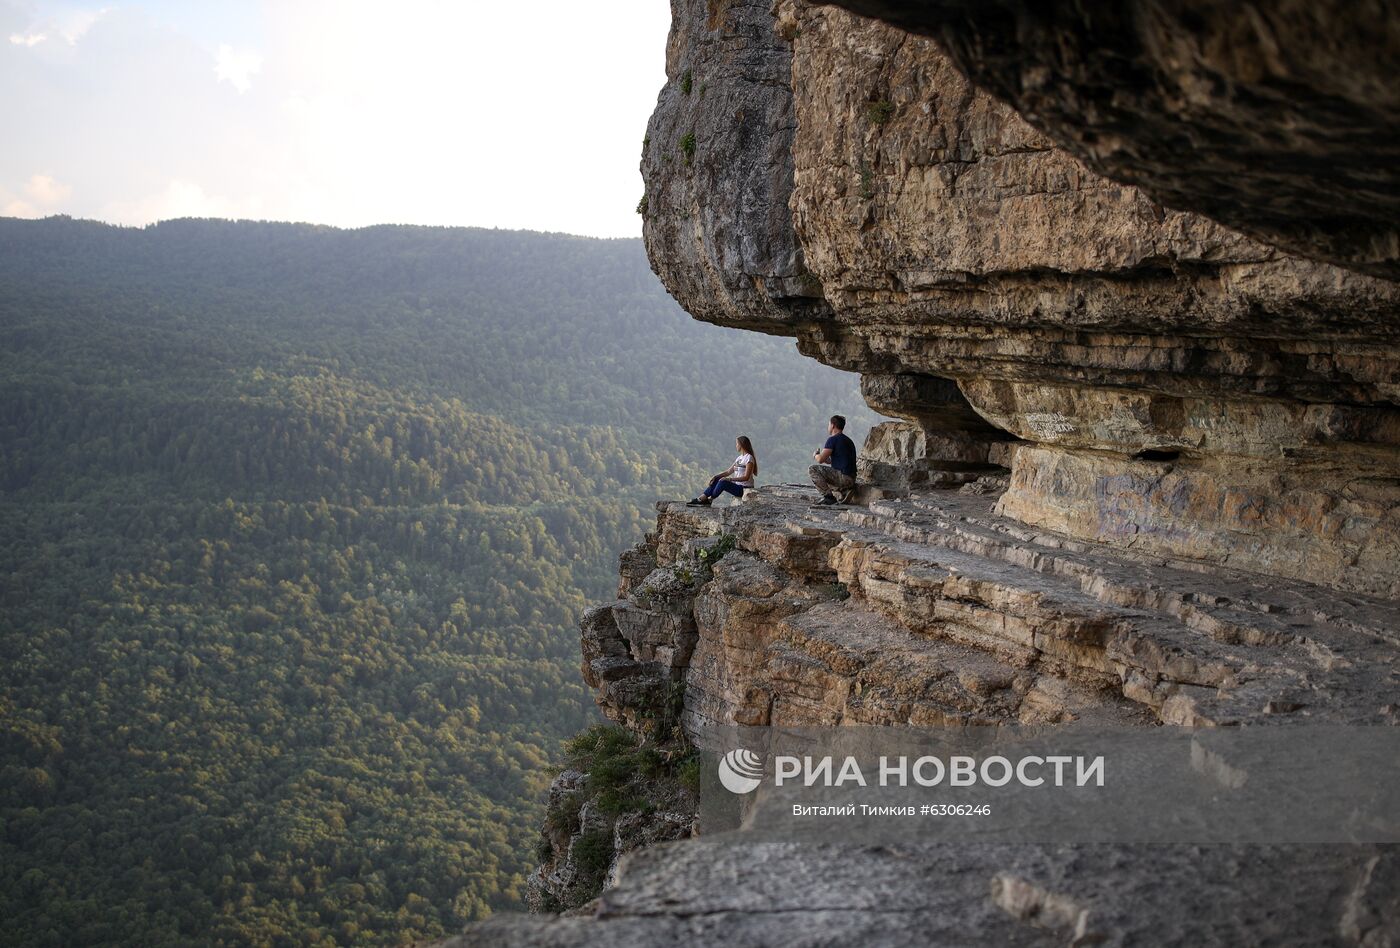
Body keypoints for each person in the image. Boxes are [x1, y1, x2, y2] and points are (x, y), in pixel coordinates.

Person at [687, 436, 757, 506]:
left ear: (741, 445)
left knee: (723, 482)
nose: (736, 446)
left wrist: (729, 479)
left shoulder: (749, 458)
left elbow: (746, 477)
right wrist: (716, 477)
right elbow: (728, 472)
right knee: (718, 479)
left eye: (737, 444)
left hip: (744, 488)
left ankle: (709, 499)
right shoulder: (739, 458)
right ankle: (702, 498)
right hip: (738, 486)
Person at [810, 414, 856, 506]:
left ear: (833, 425)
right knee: (826, 475)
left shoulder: (832, 440)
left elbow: (820, 459)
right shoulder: (848, 441)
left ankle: (829, 498)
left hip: (843, 478)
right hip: (852, 479)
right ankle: (843, 491)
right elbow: (835, 460)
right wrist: (826, 460)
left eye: (829, 424)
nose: (828, 427)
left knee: (813, 469)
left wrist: (816, 455)